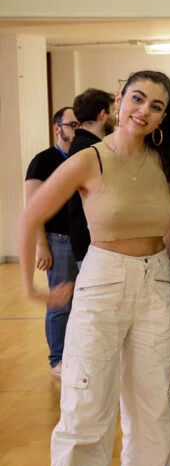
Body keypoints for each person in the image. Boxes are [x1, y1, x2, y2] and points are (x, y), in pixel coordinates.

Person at [19, 71, 170, 466]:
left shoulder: (167, 163)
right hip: (103, 282)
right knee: (86, 408)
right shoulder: (89, 159)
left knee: (153, 414)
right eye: (137, 98)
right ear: (119, 100)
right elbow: (31, 214)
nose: (144, 111)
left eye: (156, 106)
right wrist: (29, 287)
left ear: (163, 116)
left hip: (156, 285)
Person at [25, 106, 80, 378]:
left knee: (80, 302)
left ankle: (75, 356)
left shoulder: (82, 158)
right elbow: (32, 207)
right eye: (72, 125)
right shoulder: (43, 161)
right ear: (58, 128)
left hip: (82, 240)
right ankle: (57, 359)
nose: (77, 129)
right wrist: (41, 245)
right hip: (57, 240)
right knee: (61, 302)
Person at [68, 88, 116, 266]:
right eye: (113, 111)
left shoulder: (80, 144)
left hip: (88, 238)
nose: (115, 117)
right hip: (91, 241)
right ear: (103, 115)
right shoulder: (90, 150)